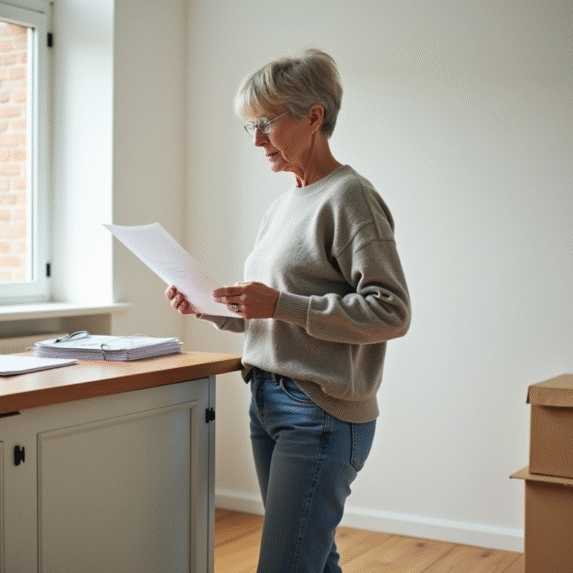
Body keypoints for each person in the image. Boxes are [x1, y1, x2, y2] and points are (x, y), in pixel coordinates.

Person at [166, 49, 410, 573]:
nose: (255, 141)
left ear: (313, 117)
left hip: (318, 412)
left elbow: (391, 310)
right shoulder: (282, 207)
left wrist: (282, 303)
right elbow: (274, 316)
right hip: (267, 402)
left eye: (265, 124)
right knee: (314, 563)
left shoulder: (351, 198)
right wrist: (212, 308)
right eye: (249, 127)